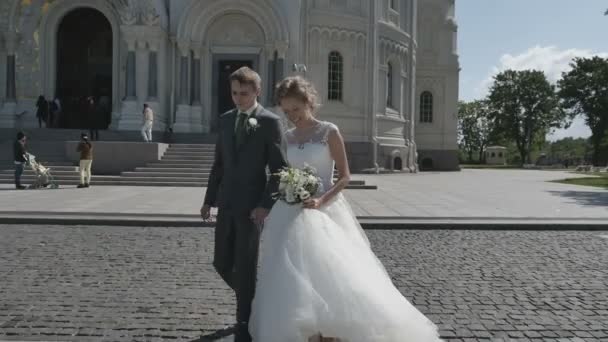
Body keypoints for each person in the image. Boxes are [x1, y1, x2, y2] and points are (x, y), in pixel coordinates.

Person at [248, 77, 443, 342]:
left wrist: (320, 201)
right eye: (286, 110)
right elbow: (287, 172)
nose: (292, 115)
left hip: (324, 208)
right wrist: (287, 190)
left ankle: (333, 331)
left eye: (296, 108)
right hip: (291, 210)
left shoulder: (329, 131)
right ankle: (308, 332)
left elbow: (345, 177)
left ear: (309, 102)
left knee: (332, 273)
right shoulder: (288, 136)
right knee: (292, 274)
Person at [200, 66, 289, 342]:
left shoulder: (270, 122)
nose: (238, 98)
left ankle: (244, 324)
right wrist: (208, 200)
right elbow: (219, 164)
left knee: (246, 264)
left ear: (257, 91)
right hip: (226, 203)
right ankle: (257, 299)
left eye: (244, 93)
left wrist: (265, 205)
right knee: (221, 262)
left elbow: (279, 170)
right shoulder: (226, 120)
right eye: (234, 93)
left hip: (252, 209)